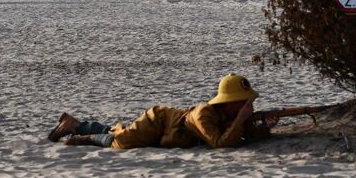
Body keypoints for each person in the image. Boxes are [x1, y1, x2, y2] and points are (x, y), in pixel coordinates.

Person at [47, 73, 277, 149]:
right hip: (158, 121)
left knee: (118, 131)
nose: (247, 105)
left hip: (169, 134)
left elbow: (240, 137)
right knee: (121, 143)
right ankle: (81, 133)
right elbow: (219, 143)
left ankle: (75, 124)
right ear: (229, 102)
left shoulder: (228, 115)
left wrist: (263, 128)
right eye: (242, 102)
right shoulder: (203, 115)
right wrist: (244, 118)